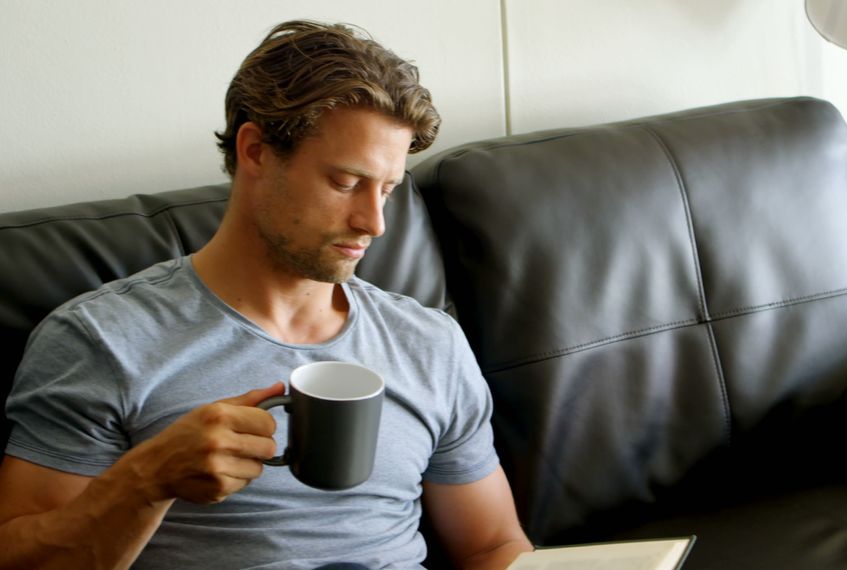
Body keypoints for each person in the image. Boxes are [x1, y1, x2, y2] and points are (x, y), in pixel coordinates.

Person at [0, 20, 533, 569]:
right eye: (346, 183)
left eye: (389, 190)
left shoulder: (430, 343)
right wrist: (146, 482)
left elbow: (493, 543)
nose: (373, 222)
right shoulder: (103, 341)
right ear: (255, 151)